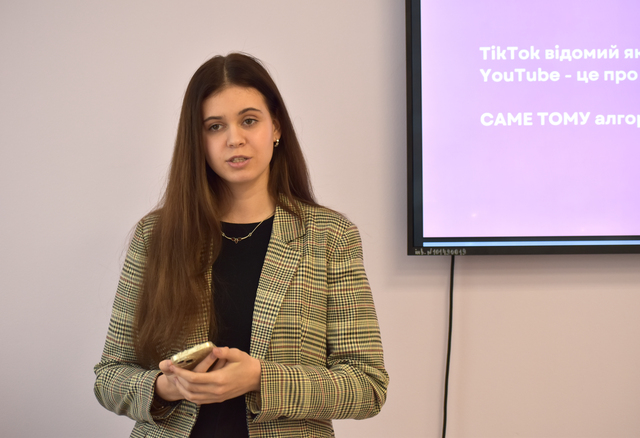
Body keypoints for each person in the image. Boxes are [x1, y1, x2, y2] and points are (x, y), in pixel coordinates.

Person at [94, 52, 388, 438]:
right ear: (197, 140)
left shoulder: (330, 236)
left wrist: (259, 378)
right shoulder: (156, 236)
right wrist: (166, 387)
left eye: (249, 120)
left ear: (275, 127)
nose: (235, 139)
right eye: (215, 126)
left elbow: (367, 385)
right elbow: (109, 377)